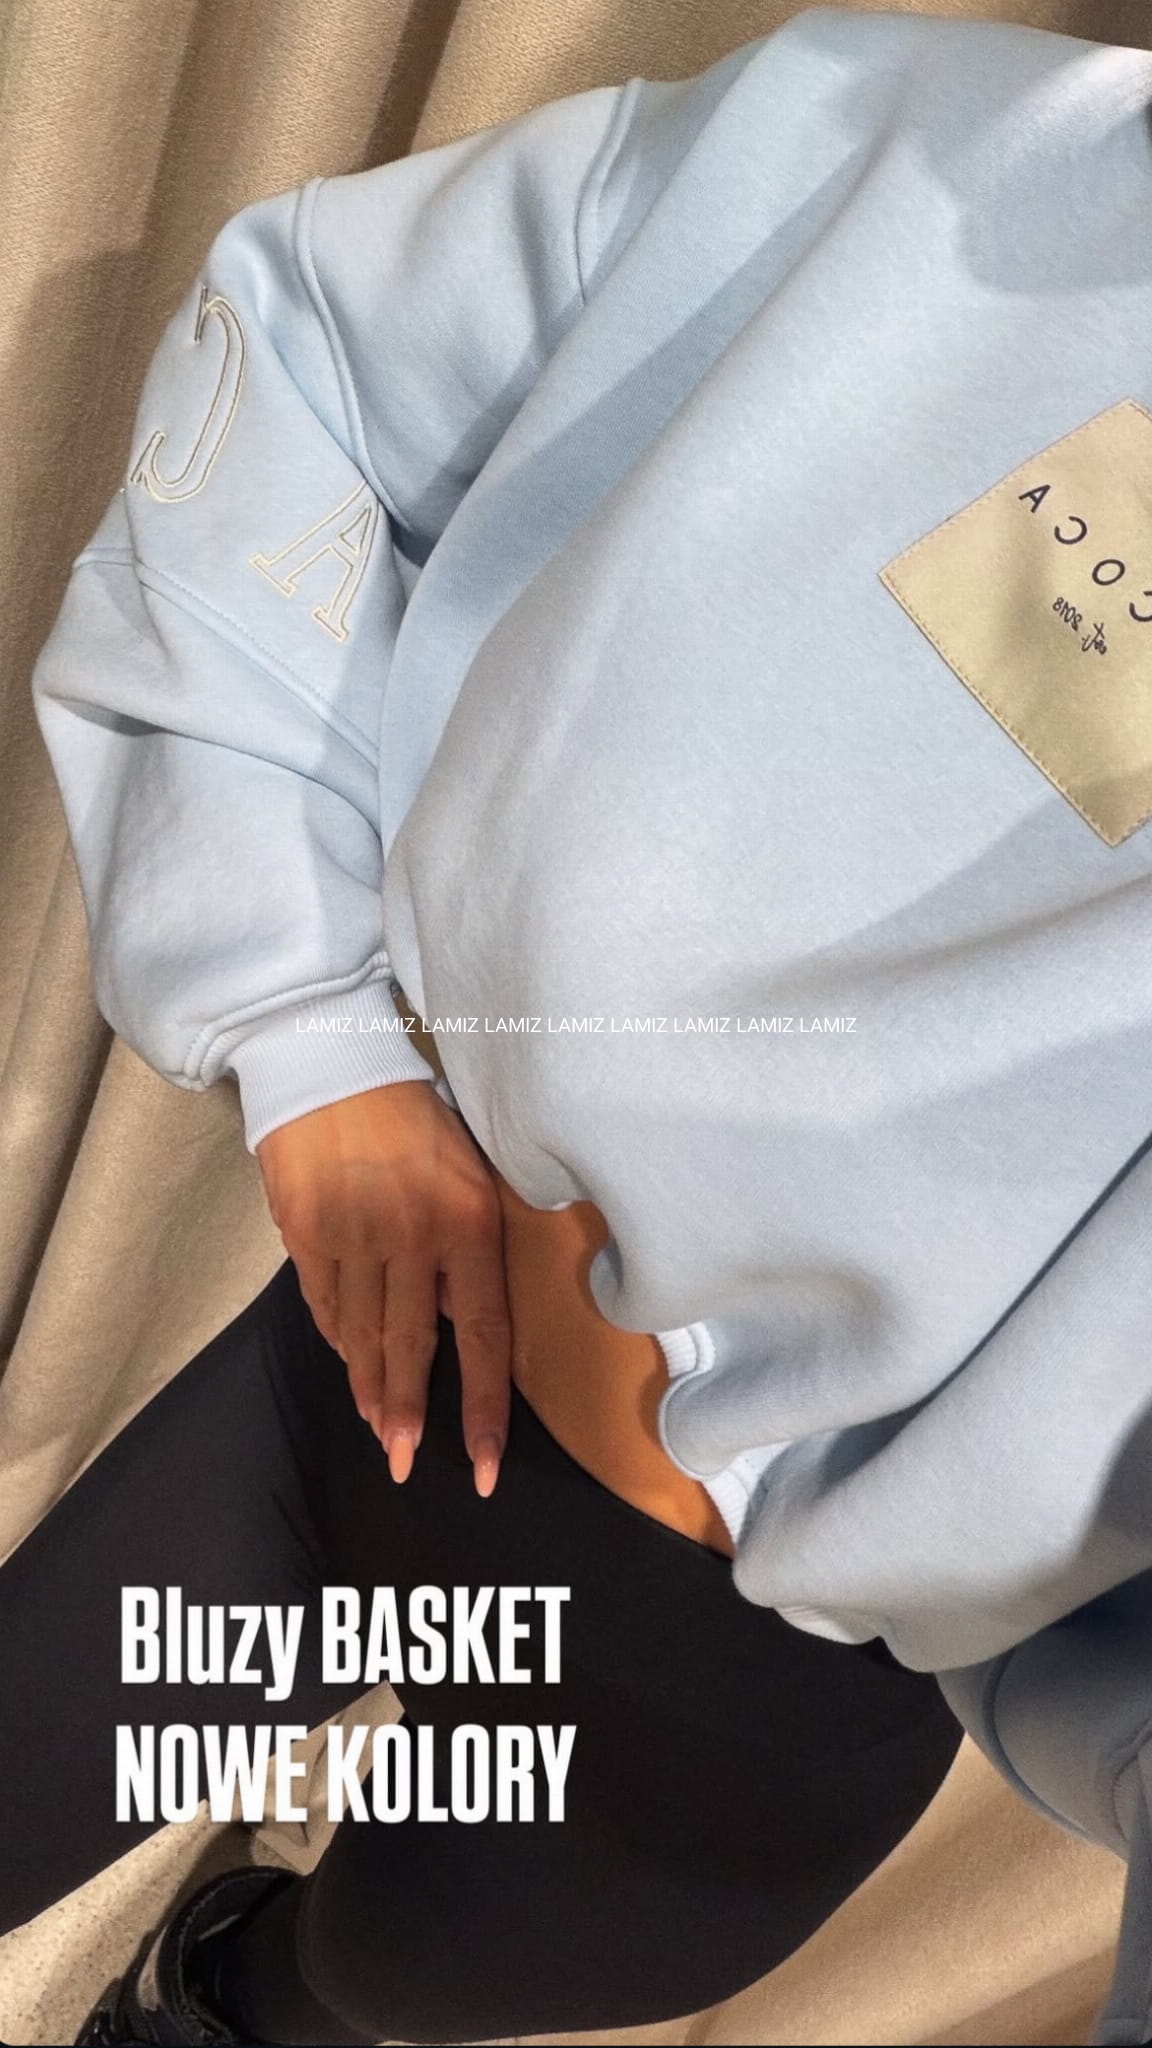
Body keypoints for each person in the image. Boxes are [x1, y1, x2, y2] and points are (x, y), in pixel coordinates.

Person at [10, 3, 1152, 2042]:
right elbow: (305, 363)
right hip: (356, 1378)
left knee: (284, 2011)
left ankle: (217, 1985)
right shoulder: (907, 148)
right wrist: (311, 1038)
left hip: (712, 1733)